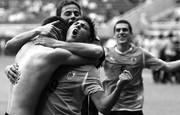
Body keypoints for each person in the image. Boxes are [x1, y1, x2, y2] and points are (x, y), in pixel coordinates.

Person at [102, 19, 180, 115]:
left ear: (131, 34)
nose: (121, 32)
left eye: (125, 30)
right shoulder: (105, 53)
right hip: (111, 107)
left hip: (133, 109)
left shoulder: (141, 54)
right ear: (114, 35)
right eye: (118, 30)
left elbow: (167, 66)